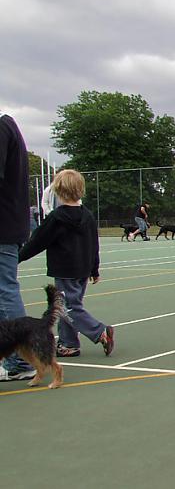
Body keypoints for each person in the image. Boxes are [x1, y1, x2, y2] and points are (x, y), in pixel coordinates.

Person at [18, 170, 113, 358]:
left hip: (64, 269)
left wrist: (17, 257)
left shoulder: (56, 218)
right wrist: (94, 269)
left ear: (58, 191)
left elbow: (37, 242)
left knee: (65, 307)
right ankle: (68, 344)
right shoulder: (87, 215)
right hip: (83, 269)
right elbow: (94, 244)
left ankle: (99, 331)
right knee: (71, 304)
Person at [0, 114, 36, 382]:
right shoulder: (8, 125)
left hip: (4, 227)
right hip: (10, 224)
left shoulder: (2, 127)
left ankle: (21, 361)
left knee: (5, 291)